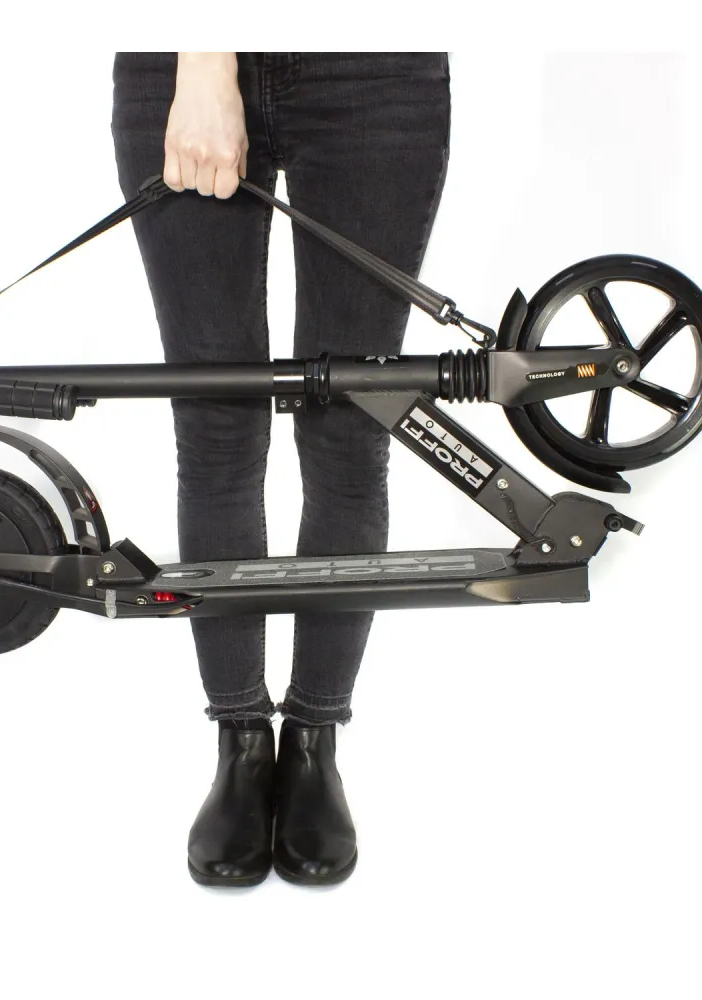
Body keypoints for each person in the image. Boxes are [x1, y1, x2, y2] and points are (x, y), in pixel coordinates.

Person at [111, 51, 451, 887]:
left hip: (376, 68)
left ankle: (313, 742)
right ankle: (240, 741)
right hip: (181, 66)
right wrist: (204, 63)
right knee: (217, 431)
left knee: (349, 430)